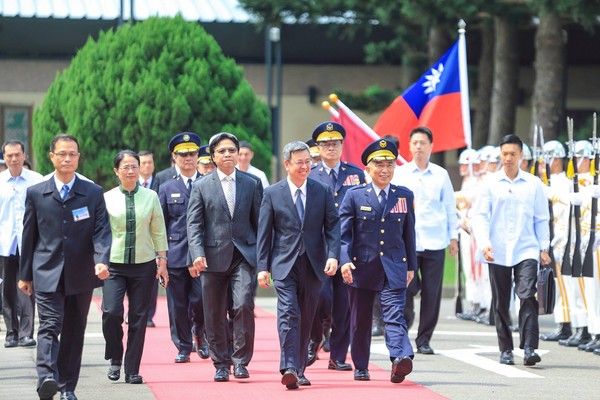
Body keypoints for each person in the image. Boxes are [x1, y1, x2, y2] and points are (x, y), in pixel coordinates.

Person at [19, 134, 112, 400]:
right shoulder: (37, 193)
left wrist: (101, 260)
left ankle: (67, 386)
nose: (67, 158)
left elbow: (101, 231)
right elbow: (29, 236)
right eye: (62, 154)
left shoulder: (92, 192)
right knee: (49, 325)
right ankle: (47, 376)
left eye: (72, 153)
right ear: (52, 157)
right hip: (46, 271)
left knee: (73, 330)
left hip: (81, 273)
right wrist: (25, 275)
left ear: (78, 157)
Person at [257, 141, 340, 390]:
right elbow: (265, 232)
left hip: (314, 264)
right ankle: (289, 367)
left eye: (308, 162)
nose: (305, 166)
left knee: (305, 317)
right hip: (284, 263)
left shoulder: (322, 191)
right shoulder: (272, 193)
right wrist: (263, 266)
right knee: (289, 313)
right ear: (287, 165)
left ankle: (299, 369)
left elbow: (333, 226)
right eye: (299, 162)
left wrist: (333, 255)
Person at [187, 132, 263, 382]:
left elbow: (260, 224)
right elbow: (194, 225)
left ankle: (241, 361)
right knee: (214, 311)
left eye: (232, 150)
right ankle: (221, 362)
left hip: (243, 256)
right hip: (211, 257)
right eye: (222, 151)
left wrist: (262, 260)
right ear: (213, 156)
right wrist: (196, 254)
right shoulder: (201, 186)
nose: (228, 154)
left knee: (243, 305)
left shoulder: (252, 183)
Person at [340, 139, 416, 383]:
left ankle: (400, 358)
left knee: (395, 314)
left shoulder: (403, 195)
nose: (385, 170)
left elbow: (409, 233)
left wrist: (411, 266)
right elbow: (344, 235)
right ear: (367, 169)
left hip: (394, 266)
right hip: (361, 267)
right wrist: (344, 261)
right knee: (360, 321)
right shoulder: (354, 196)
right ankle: (361, 365)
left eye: (390, 164)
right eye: (379, 164)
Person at [473, 134, 550, 366]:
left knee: (527, 296)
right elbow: (480, 216)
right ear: (500, 154)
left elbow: (541, 218)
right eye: (504, 154)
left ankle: (528, 347)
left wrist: (544, 247)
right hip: (496, 250)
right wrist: (484, 242)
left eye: (513, 154)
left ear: (521, 156)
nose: (508, 158)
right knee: (501, 301)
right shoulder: (489, 183)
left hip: (526, 248)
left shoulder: (534, 184)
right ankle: (505, 349)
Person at [102, 150, 169, 385]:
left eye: (134, 166)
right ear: (116, 171)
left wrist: (162, 261)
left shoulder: (151, 197)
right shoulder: (107, 198)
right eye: (126, 167)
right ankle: (114, 357)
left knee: (138, 318)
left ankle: (132, 369)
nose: (131, 171)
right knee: (111, 312)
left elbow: (159, 230)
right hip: (114, 266)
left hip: (143, 265)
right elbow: (100, 233)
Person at [394, 126, 458, 355]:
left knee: (432, 292)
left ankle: (424, 339)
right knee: (407, 287)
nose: (419, 147)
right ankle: (407, 320)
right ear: (409, 146)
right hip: (407, 243)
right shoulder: (400, 174)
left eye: (423, 143)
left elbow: (451, 207)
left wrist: (453, 237)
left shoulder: (440, 175)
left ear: (431, 146)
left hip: (434, 241)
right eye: (415, 143)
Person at [307, 121, 365, 370]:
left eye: (334, 143)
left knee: (344, 303)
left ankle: (338, 355)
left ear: (342, 145)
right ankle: (313, 339)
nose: (330, 148)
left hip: (348, 247)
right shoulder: (310, 175)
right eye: (325, 144)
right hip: (319, 248)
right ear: (317, 148)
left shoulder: (355, 174)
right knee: (319, 296)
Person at [158, 133, 208, 363]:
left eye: (192, 153)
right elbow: (160, 225)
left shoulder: (208, 183)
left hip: (202, 256)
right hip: (176, 254)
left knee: (201, 300)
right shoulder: (167, 187)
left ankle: (200, 332)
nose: (188, 158)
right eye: (183, 154)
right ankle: (183, 346)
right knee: (177, 304)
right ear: (174, 157)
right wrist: (161, 259)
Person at [1, 140, 43, 348]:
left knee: (27, 288)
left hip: (30, 243)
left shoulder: (37, 181)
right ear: (4, 158)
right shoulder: (0, 182)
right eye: (9, 155)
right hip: (5, 243)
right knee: (7, 289)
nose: (14, 159)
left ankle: (27, 333)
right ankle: (11, 333)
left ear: (24, 155)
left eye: (17, 154)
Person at [137, 150, 159, 328]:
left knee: (152, 279)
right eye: (142, 163)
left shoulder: (161, 184)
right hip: (135, 238)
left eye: (149, 162)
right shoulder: (127, 184)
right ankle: (134, 312)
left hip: (154, 238)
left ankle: (149, 315)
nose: (146, 166)